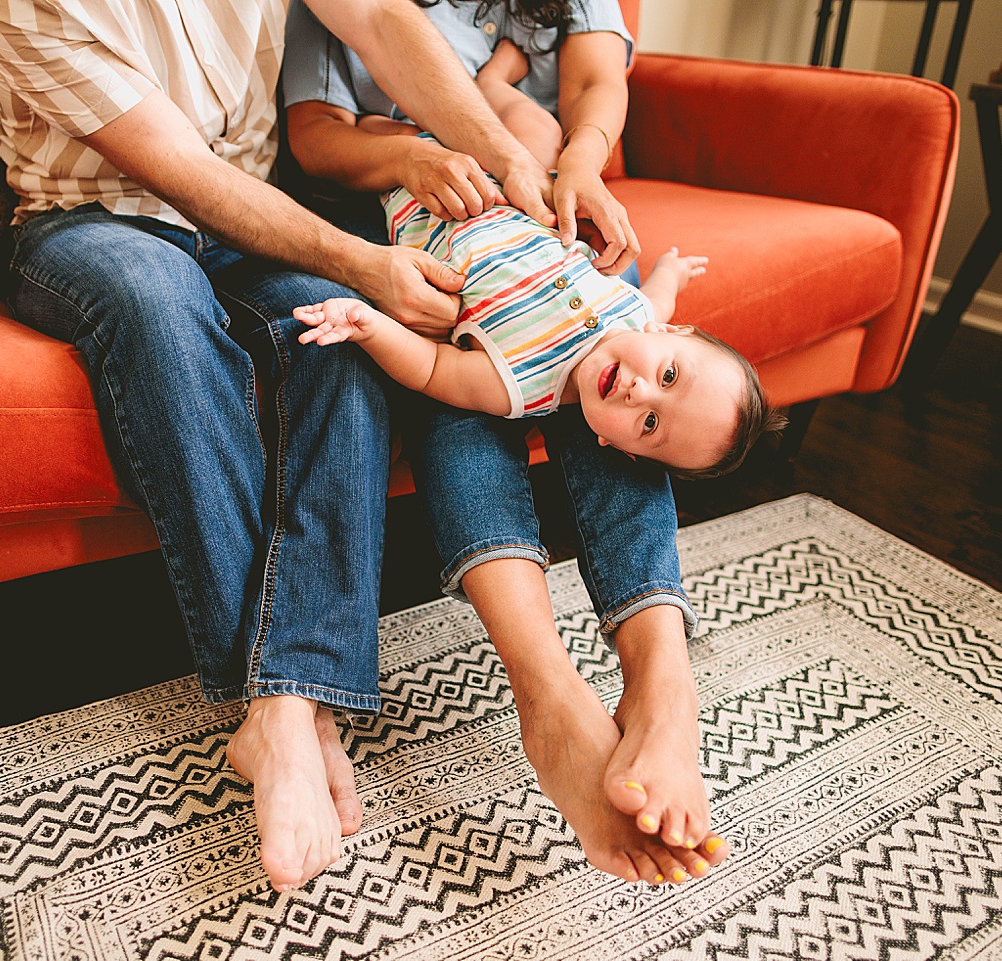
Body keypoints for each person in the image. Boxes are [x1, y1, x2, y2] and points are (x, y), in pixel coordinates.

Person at [0, 0, 563, 894]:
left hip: (250, 221)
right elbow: (186, 177)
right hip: (89, 222)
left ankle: (283, 706)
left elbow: (385, 21)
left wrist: (509, 156)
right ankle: (284, 710)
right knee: (160, 311)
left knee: (344, 341)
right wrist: (364, 264)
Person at [284, 0, 774, 885]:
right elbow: (319, 137)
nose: (648, 386)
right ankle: (547, 691)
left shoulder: (643, 350)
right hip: (416, 214)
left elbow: (594, 83)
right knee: (490, 388)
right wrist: (431, 157)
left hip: (543, 208)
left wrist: (572, 169)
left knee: (617, 410)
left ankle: (662, 677)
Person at [293, 133, 781, 476]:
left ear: (617, 447)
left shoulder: (520, 387)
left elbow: (431, 368)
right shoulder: (640, 316)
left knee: (366, 133)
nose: (640, 392)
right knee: (537, 127)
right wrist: (670, 272)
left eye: (650, 424)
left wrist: (368, 326)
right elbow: (659, 300)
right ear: (672, 334)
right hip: (503, 184)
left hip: (413, 199)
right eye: (669, 376)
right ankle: (498, 73)